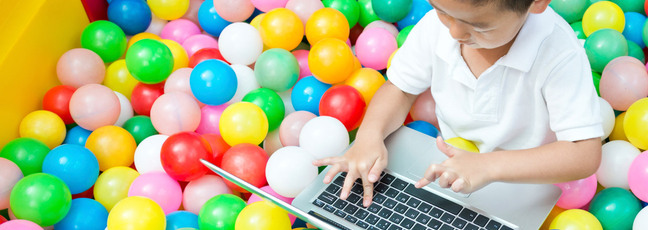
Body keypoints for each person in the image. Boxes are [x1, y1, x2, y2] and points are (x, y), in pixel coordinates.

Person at [313, 0, 603, 208]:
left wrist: (487, 166)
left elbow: (584, 154)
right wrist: (368, 136)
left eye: (479, 26)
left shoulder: (559, 53)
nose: (454, 33)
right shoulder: (435, 28)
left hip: (524, 184)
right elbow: (399, 89)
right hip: (449, 172)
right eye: (441, 11)